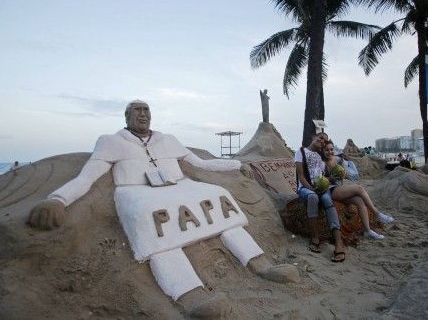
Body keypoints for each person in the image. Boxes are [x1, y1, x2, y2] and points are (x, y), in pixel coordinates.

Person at [28, 99, 298, 317]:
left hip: (179, 185)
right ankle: (190, 294)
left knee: (216, 194)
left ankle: (260, 264)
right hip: (136, 192)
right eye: (137, 110)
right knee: (150, 215)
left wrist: (237, 165)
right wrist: (58, 199)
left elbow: (202, 164)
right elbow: (87, 176)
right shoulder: (111, 142)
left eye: (146, 110)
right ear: (126, 117)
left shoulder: (167, 139)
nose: (143, 114)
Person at [321, 140, 395, 239]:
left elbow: (347, 173)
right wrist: (331, 178)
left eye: (331, 149)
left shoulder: (338, 159)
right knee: (359, 188)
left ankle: (367, 231)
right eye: (326, 150)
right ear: (322, 151)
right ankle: (377, 214)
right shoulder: (321, 163)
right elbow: (319, 179)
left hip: (339, 188)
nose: (330, 152)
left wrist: (344, 173)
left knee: (360, 201)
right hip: (330, 189)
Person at [294, 132, 346, 262]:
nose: (322, 141)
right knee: (313, 197)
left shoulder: (320, 157)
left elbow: (321, 177)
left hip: (321, 189)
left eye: (325, 141)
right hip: (305, 188)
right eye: (321, 138)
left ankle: (338, 242)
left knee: (328, 200)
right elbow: (301, 177)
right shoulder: (301, 152)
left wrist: (332, 178)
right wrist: (312, 189)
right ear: (313, 137)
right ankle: (315, 237)